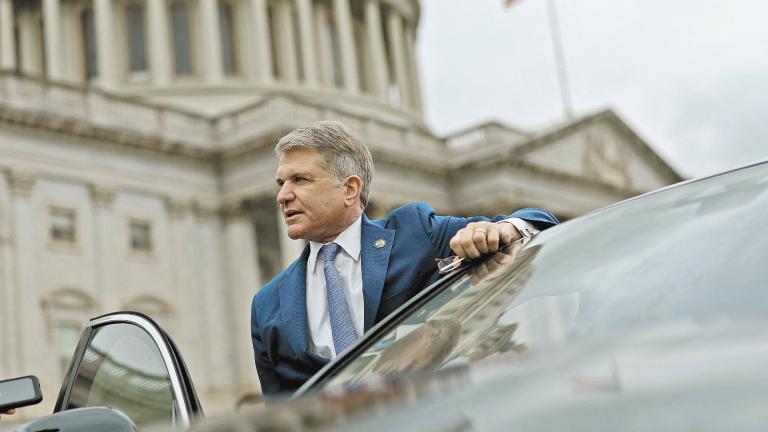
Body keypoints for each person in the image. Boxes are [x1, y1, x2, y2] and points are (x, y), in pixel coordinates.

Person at [250, 121, 559, 395]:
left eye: (300, 179)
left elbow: (540, 222)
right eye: (281, 183)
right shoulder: (266, 304)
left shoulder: (415, 233)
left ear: (349, 189)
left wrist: (501, 229)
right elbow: (282, 416)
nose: (283, 195)